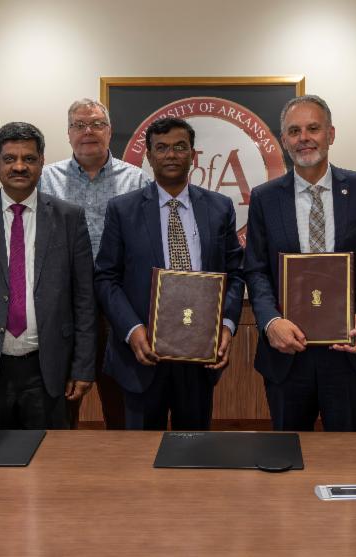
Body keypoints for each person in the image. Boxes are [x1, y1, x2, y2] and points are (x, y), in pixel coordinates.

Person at [243, 94, 356, 432]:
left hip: (349, 351)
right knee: (286, 460)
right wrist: (271, 322)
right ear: (284, 140)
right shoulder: (264, 198)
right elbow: (255, 269)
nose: (304, 138)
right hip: (286, 354)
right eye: (295, 130)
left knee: (353, 464)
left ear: (330, 133)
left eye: (313, 128)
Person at [0, 122, 95, 429]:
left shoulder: (69, 217)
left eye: (29, 158)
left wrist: (83, 367)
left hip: (49, 369)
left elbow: (84, 300)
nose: (20, 166)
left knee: (49, 463)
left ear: (42, 161)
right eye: (10, 158)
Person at [94, 117, 244, 430]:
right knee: (140, 462)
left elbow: (236, 274)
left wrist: (227, 327)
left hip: (201, 354)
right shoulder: (123, 209)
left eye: (179, 147)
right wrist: (132, 330)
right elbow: (106, 278)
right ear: (148, 156)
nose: (171, 154)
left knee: (194, 453)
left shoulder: (219, 208)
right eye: (161, 148)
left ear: (193, 154)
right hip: (142, 353)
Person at [40, 98, 149, 429]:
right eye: (79, 125)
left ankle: (125, 475)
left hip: (118, 307)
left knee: (121, 404)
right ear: (68, 133)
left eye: (97, 124)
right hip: (62, 308)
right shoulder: (45, 180)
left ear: (110, 131)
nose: (88, 132)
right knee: (61, 403)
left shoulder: (138, 181)